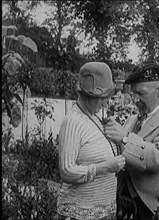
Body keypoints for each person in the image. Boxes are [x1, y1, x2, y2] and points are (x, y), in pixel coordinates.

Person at [104, 63, 159, 220]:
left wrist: (125, 137)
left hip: (155, 210)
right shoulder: (133, 119)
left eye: (141, 93)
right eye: (133, 94)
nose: (135, 99)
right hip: (126, 206)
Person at [57, 62, 126, 220]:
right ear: (88, 95)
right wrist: (104, 168)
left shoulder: (95, 117)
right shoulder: (72, 121)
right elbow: (66, 171)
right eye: (103, 98)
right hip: (80, 213)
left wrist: (118, 138)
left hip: (104, 213)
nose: (106, 102)